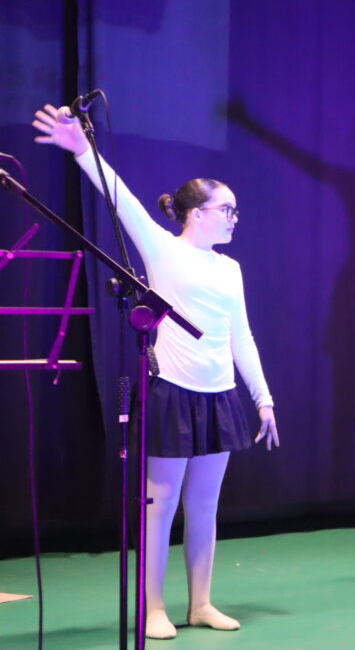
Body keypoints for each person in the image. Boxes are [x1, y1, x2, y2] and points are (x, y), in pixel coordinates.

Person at [33, 103, 279, 640]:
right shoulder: (162, 249)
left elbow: (241, 336)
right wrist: (81, 148)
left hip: (219, 396)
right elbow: (119, 196)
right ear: (196, 214)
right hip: (171, 392)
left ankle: (202, 604)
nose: (234, 218)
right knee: (160, 506)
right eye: (226, 209)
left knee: (205, 506)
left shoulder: (231, 269)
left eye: (235, 211)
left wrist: (263, 398)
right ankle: (154, 608)